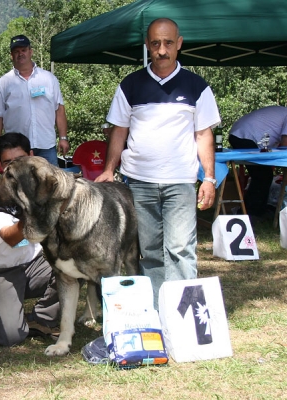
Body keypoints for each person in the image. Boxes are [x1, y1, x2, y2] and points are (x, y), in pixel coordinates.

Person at [95, 18, 221, 309]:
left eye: (167, 43)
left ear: (179, 44)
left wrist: (210, 178)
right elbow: (119, 131)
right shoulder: (130, 85)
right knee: (149, 251)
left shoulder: (197, 86)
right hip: (138, 182)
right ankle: (156, 312)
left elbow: (203, 134)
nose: (161, 50)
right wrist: (108, 170)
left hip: (181, 182)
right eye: (155, 43)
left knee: (180, 249)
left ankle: (184, 315)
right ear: (147, 46)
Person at [0, 132, 60, 346]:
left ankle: (42, 318)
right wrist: (35, 209)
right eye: (7, 162)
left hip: (36, 263)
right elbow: (9, 238)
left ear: (31, 156)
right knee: (10, 338)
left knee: (74, 263)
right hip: (2, 271)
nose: (14, 167)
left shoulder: (47, 185)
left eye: (20, 160)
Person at [0, 35, 70, 166]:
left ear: (30, 52)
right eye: (16, 51)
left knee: (50, 185)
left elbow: (59, 110)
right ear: (11, 55)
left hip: (46, 145)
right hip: (16, 149)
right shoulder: (4, 82)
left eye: (23, 50)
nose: (20, 54)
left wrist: (63, 138)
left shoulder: (49, 78)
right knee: (18, 186)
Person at [229, 105, 287, 218]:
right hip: (245, 136)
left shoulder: (283, 112)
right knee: (263, 175)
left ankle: (255, 211)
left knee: (262, 175)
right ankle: (251, 212)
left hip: (241, 134)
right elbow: (285, 145)